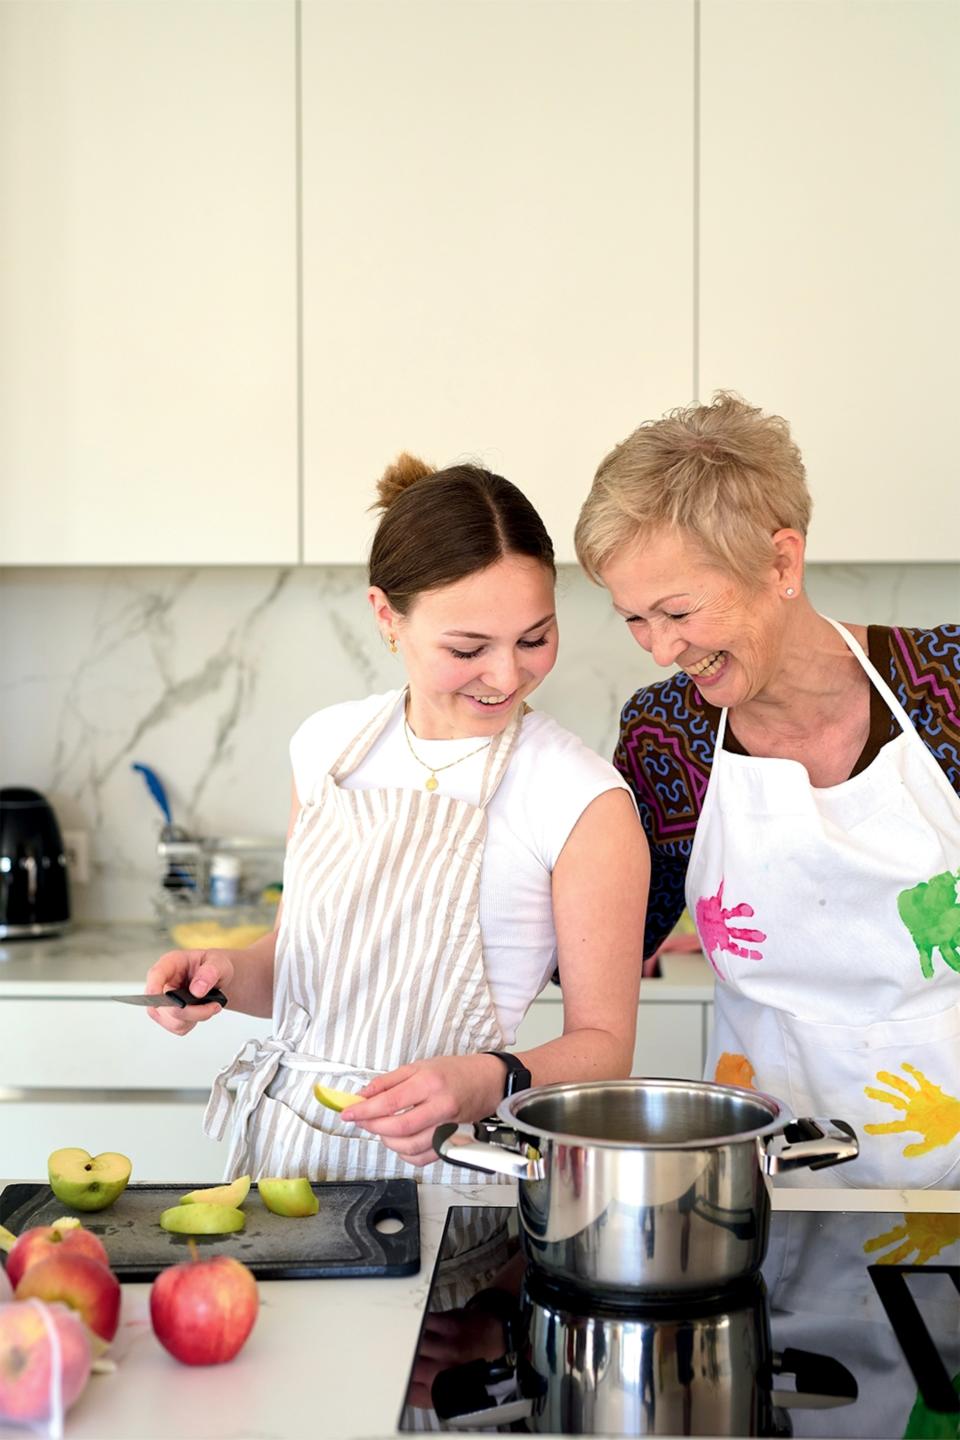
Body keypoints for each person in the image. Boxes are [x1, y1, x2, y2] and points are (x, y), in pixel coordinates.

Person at [144, 454, 647, 1181]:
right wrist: (222, 974)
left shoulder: (581, 798)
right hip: (283, 1162)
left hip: (447, 1173)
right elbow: (294, 966)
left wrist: (485, 1078)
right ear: (387, 617)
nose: (507, 675)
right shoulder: (327, 749)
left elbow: (605, 1046)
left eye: (535, 638)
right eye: (468, 648)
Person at [574, 393, 960, 1188]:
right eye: (635, 620)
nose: (661, 650)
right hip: (769, 1178)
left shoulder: (946, 689)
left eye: (678, 611)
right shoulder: (668, 735)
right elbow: (599, 949)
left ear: (782, 562)